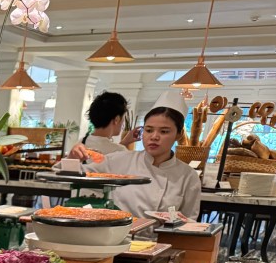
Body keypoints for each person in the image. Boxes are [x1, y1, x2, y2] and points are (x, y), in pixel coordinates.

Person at [67, 90, 201, 218]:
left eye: (164, 131)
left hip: (162, 235)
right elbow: (71, 175)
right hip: (117, 232)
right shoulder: (119, 160)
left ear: (178, 135)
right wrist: (73, 158)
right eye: (149, 130)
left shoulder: (188, 176)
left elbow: (189, 222)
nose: (154, 137)